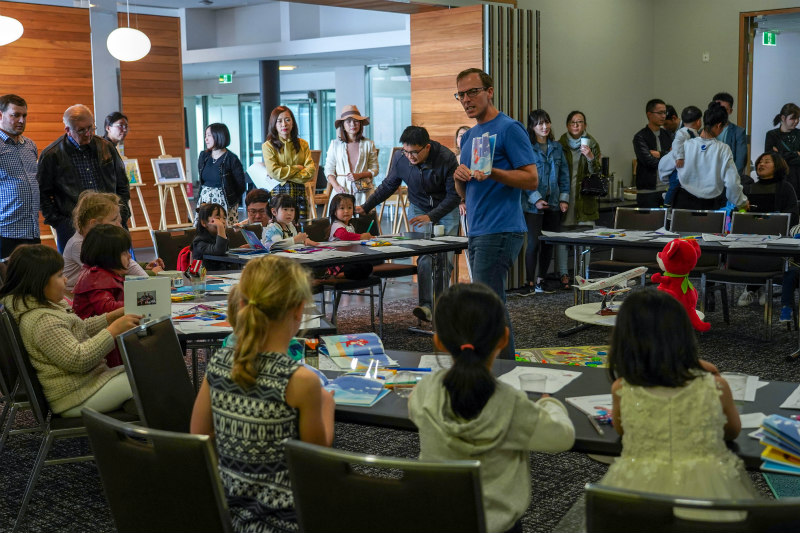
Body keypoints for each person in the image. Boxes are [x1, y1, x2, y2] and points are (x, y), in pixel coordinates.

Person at [408, 283, 574, 533]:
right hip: (498, 527)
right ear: (504, 338)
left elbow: (415, 412)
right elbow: (562, 438)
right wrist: (549, 403)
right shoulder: (511, 402)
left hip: (437, 519)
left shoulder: (425, 391)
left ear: (439, 342)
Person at [190, 255, 335, 533]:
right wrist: (326, 405)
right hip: (287, 522)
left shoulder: (220, 362)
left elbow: (199, 436)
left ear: (242, 303)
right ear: (297, 310)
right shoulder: (300, 381)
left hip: (229, 515)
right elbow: (316, 461)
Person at [600, 289, 757, 510]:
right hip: (706, 491)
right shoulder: (716, 386)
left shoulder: (621, 389)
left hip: (640, 490)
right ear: (684, 334)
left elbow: (623, 430)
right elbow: (731, 431)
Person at [452, 68, 538, 360]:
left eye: (472, 92)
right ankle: (499, 367)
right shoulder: (471, 136)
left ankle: (503, 369)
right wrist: (458, 179)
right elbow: (467, 193)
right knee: (487, 303)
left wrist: (494, 173)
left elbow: (531, 179)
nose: (466, 99)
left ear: (489, 91)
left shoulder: (509, 128)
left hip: (501, 227)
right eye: (461, 95)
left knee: (489, 304)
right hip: (477, 227)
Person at [0, 245, 140, 417]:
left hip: (87, 385)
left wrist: (111, 317)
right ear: (39, 281)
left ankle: (143, 426)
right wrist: (112, 331)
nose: (66, 280)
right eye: (59, 275)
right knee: (147, 378)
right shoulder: (42, 320)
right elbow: (78, 359)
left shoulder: (43, 305)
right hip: (75, 396)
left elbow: (76, 330)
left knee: (146, 377)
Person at [357, 125, 460, 321]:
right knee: (424, 256)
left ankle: (441, 305)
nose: (409, 156)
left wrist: (432, 216)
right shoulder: (400, 158)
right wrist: (366, 205)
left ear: (427, 147)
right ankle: (426, 306)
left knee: (444, 258)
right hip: (419, 208)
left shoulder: (446, 158)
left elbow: (454, 196)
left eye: (414, 152)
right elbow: (388, 185)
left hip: (445, 208)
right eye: (406, 151)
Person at [37, 104, 130, 252]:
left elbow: (122, 184)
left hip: (111, 222)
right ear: (68, 130)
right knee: (77, 273)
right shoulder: (52, 155)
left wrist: (122, 214)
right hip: (72, 227)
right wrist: (60, 223)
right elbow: (42, 194)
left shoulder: (106, 147)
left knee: (117, 268)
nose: (88, 133)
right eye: (81, 130)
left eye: (91, 128)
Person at [63, 191, 163, 293]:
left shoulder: (100, 240)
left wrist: (144, 266)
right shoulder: (79, 244)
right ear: (94, 223)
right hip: (77, 299)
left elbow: (121, 264)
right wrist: (150, 275)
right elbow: (108, 272)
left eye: (119, 221)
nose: (119, 226)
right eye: (114, 220)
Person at [659, 102, 748, 211]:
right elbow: (732, 183)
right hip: (709, 203)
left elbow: (663, 167)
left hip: (682, 201)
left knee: (681, 228)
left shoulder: (686, 144)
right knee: (707, 228)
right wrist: (741, 202)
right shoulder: (723, 149)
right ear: (719, 125)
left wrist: (670, 182)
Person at [738, 153, 798, 310]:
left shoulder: (786, 188)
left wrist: (771, 222)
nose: (760, 164)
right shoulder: (748, 188)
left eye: (766, 162)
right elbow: (739, 214)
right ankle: (761, 286)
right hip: (749, 236)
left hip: (777, 238)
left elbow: (792, 215)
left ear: (777, 165)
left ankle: (752, 287)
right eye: (759, 162)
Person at [72, 224, 132, 367]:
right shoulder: (96, 277)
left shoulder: (103, 273)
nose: (129, 256)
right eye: (124, 252)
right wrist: (136, 302)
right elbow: (107, 307)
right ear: (108, 256)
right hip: (97, 340)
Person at [523, 109, 569, 294]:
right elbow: (524, 178)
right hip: (532, 205)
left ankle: (542, 279)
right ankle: (529, 282)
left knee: (548, 243)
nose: (544, 127)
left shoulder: (556, 147)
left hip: (554, 203)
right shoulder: (527, 147)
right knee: (534, 243)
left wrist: (564, 199)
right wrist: (536, 199)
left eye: (547, 122)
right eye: (540, 124)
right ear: (532, 127)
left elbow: (564, 176)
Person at [556, 110, 601, 289]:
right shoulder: (560, 144)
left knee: (585, 236)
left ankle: (584, 274)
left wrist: (590, 156)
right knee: (562, 236)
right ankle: (564, 274)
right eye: (573, 122)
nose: (576, 125)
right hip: (565, 196)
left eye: (580, 122)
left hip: (585, 198)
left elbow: (596, 173)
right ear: (567, 125)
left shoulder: (592, 143)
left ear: (585, 126)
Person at [0, 94, 41, 259]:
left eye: (24, 115)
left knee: (34, 283)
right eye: (15, 115)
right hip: (6, 231)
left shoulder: (30, 145)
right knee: (9, 284)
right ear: (1, 115)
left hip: (31, 230)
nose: (21, 120)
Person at [262, 106, 316, 220]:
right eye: (279, 121)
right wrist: (297, 168)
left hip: (299, 191)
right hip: (278, 193)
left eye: (287, 120)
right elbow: (274, 172)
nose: (284, 124)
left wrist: (286, 175)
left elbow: (310, 171)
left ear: (292, 122)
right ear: (274, 124)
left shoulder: (303, 144)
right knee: (279, 227)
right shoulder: (268, 146)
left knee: (301, 226)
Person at [324, 105, 379, 207]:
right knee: (340, 220)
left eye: (356, 121)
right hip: (341, 190)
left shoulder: (368, 144)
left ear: (361, 124)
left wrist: (359, 175)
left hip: (364, 191)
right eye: (348, 121)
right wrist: (336, 187)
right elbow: (328, 170)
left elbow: (375, 169)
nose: (352, 124)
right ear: (343, 125)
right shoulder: (335, 144)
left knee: (364, 221)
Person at [198, 123, 247, 227]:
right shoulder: (204, 156)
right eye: (205, 136)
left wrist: (230, 198)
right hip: (205, 200)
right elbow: (202, 180)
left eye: (209, 135)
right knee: (204, 231)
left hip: (225, 202)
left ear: (219, 135)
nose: (206, 139)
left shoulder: (232, 159)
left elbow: (241, 185)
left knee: (224, 232)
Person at [633, 98, 673, 207]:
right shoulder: (640, 137)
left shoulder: (668, 135)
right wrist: (667, 156)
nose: (664, 116)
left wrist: (659, 154)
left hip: (667, 189)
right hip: (648, 191)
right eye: (660, 113)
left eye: (665, 113)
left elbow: (674, 158)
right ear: (649, 114)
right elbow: (649, 162)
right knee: (648, 224)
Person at [663, 105, 703, 207]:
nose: (664, 127)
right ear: (699, 122)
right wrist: (680, 157)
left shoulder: (693, 133)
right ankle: (667, 204)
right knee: (675, 183)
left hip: (687, 166)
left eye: (666, 124)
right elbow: (677, 144)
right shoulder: (683, 132)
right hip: (679, 165)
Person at [327, 193, 373, 280]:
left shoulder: (350, 226)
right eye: (342, 208)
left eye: (349, 207)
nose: (346, 211)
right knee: (356, 268)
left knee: (367, 266)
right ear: (334, 211)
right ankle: (335, 276)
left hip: (349, 258)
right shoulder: (337, 225)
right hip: (338, 261)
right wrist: (361, 236)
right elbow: (344, 235)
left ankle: (352, 282)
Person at [764, 102, 800, 194]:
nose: (796, 121)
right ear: (783, 118)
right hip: (780, 178)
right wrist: (796, 154)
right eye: (793, 118)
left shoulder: (799, 134)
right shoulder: (772, 135)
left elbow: (779, 156)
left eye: (798, 118)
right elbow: (771, 158)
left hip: (798, 177)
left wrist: (780, 153)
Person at [712, 92, 748, 176]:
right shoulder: (703, 132)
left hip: (728, 179)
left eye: (725, 109)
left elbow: (740, 162)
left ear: (730, 111)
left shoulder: (738, 132)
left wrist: (731, 180)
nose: (720, 112)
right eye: (718, 108)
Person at [192, 202, 229, 271]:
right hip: (202, 278)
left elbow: (225, 256)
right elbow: (218, 251)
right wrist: (220, 227)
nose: (223, 221)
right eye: (218, 218)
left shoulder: (219, 236)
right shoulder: (199, 242)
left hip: (221, 276)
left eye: (224, 218)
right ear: (204, 223)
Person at [455, 125, 471, 218]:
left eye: (467, 135)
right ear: (456, 140)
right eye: (461, 136)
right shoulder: (451, 159)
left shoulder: (475, 160)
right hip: (455, 202)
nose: (464, 138)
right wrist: (459, 202)